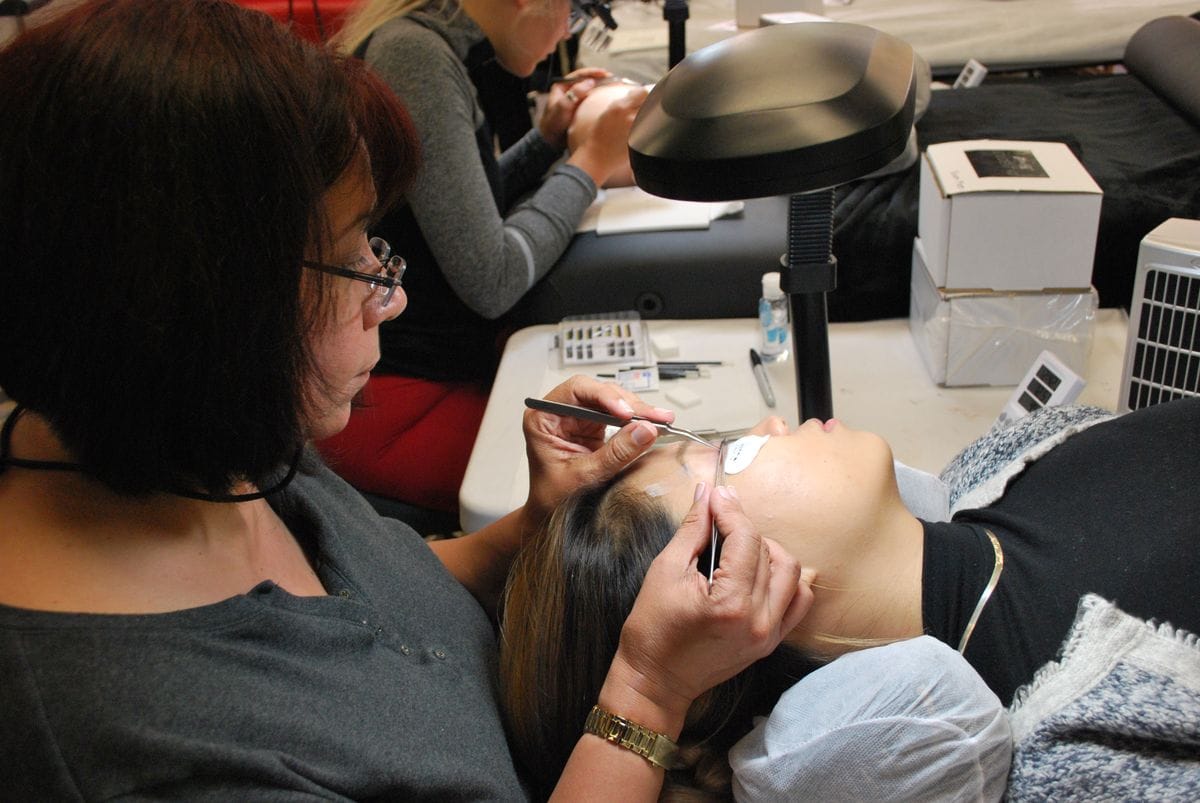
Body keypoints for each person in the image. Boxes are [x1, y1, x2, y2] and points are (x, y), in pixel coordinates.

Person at [0, 2, 810, 797]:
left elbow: (377, 592)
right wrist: (646, 694)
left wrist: (529, 527)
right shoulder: (139, 750)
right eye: (353, 258)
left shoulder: (213, 448)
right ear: (208, 309)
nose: (391, 297)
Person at [499, 398, 1200, 795]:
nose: (771, 423)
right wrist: (647, 692)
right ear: (723, 607)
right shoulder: (1089, 754)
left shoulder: (997, 466)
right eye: (732, 454)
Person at [318, 0, 648, 515]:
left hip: (426, 374)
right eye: (574, 11)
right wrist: (591, 163)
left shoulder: (425, 44)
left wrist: (546, 142)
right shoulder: (414, 57)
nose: (567, 31)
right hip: (397, 398)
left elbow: (458, 213)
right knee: (611, 482)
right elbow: (493, 279)